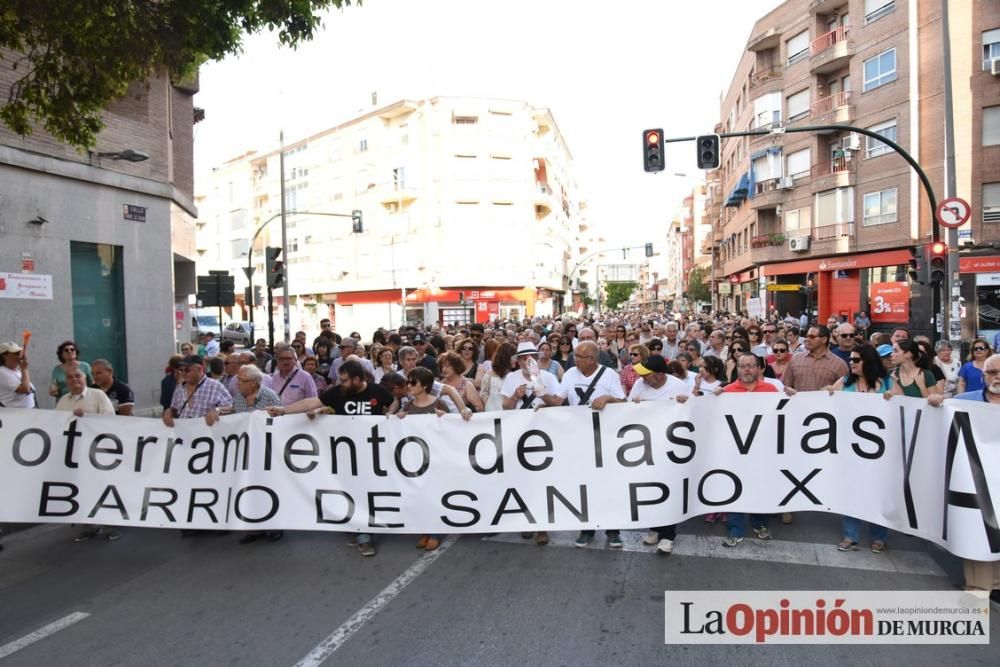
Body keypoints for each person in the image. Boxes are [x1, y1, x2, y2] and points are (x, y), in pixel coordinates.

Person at [272, 359, 395, 556]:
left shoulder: (377, 391)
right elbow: (312, 402)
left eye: (345, 380)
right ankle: (360, 531)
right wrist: (283, 410)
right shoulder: (339, 392)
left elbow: (394, 405)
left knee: (365, 494)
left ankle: (364, 536)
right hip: (345, 455)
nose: (341, 383)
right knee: (352, 493)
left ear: (357, 379)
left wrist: (393, 414)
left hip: (372, 455)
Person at [929, 353, 1000, 603]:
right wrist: (938, 401)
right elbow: (944, 410)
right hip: (975, 482)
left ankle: (996, 585)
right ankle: (977, 591)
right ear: (983, 376)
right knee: (977, 533)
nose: (997, 376)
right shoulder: (965, 400)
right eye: (992, 372)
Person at [555, 341, 626, 548]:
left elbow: (624, 404)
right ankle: (587, 528)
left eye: (579, 356)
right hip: (579, 439)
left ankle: (613, 530)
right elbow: (558, 401)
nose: (574, 359)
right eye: (575, 355)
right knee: (584, 484)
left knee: (609, 484)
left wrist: (608, 398)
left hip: (606, 438)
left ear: (592, 359)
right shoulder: (569, 375)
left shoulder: (609, 375)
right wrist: (542, 396)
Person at [824, 344, 893, 554]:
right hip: (849, 448)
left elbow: (903, 406)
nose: (851, 363)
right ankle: (850, 535)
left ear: (868, 362)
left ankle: (879, 536)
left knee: (877, 493)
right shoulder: (846, 382)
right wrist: (826, 392)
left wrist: (893, 397)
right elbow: (825, 396)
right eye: (851, 360)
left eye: (855, 360)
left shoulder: (888, 382)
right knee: (852, 491)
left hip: (880, 451)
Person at [629, 354, 689, 554]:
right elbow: (627, 409)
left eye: (647, 374)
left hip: (672, 446)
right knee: (651, 489)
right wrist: (634, 405)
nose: (643, 378)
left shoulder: (678, 385)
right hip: (646, 446)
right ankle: (655, 527)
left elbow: (694, 411)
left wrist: (687, 401)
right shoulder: (639, 384)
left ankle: (668, 535)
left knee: (669, 489)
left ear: (660, 374)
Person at [721, 354, 778, 548]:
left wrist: (792, 396)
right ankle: (735, 529)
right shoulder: (726, 392)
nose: (747, 369)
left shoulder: (772, 390)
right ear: (737, 369)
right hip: (735, 452)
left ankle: (759, 523)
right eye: (743, 366)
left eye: (751, 366)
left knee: (760, 488)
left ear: (759, 368)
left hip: (763, 452)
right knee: (734, 489)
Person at [56, 367, 119, 541]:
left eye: (78, 376)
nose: (74, 379)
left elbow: (110, 419)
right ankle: (90, 526)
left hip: (99, 452)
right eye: (70, 377)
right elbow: (56, 425)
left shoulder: (97, 396)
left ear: (86, 378)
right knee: (83, 488)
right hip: (76, 453)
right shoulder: (63, 401)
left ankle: (111, 525)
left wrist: (88, 416)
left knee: (104, 487)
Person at [230, 364, 284, 544]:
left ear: (254, 383)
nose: (238, 383)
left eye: (242, 380)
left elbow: (281, 423)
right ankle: (255, 527)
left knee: (270, 487)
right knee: (250, 488)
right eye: (238, 379)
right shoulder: (238, 398)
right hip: (246, 452)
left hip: (267, 452)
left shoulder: (269, 396)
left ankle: (275, 525)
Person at [162, 355, 233, 428]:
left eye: (187, 370)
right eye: (181, 370)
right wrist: (169, 411)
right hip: (182, 434)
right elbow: (174, 408)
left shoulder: (215, 386)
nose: (183, 373)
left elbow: (231, 407)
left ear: (200, 369)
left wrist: (218, 410)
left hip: (205, 435)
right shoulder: (179, 388)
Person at [480, 342, 516, 412]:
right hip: (493, 412)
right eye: (513, 357)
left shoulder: (515, 374)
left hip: (510, 413)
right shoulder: (489, 375)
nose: (515, 360)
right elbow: (483, 393)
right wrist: (489, 403)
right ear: (505, 357)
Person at [0, 341, 35, 408]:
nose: (20, 355)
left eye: (20, 352)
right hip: (14, 414)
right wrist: (24, 369)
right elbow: (25, 389)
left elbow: (29, 389)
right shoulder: (1, 372)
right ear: (4, 356)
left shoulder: (16, 371)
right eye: (16, 353)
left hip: (23, 413)